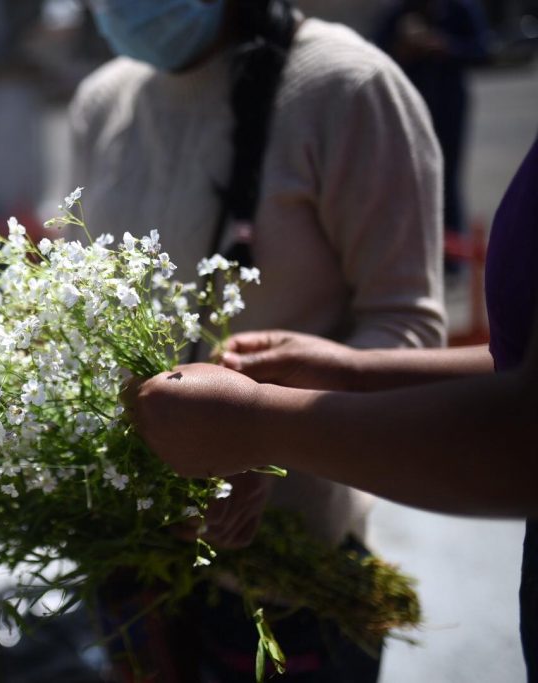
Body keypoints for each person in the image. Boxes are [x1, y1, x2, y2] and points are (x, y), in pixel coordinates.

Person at [70, 0, 445, 678]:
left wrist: (266, 435)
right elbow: (76, 307)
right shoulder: (103, 102)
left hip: (286, 574)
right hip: (127, 550)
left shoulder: (346, 87)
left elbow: (409, 329)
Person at [128, 133, 538, 678]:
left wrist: (258, 424)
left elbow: (523, 438)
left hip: (300, 576)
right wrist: (351, 372)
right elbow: (514, 370)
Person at [375, 0, 491, 267]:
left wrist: (442, 45)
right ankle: (412, 257)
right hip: (407, 108)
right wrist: (402, 47)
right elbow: (375, 53)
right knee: (408, 182)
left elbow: (483, 50)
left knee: (446, 179)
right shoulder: (401, 13)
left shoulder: (460, 9)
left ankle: (451, 262)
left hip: (449, 107)